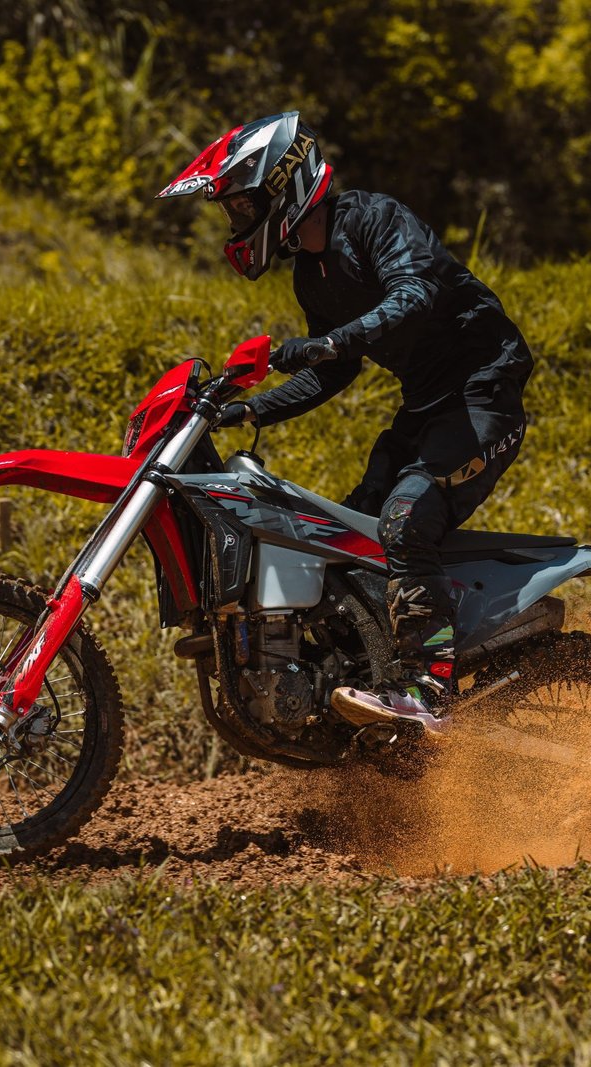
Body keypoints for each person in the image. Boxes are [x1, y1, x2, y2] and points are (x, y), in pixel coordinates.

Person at [157, 111, 533, 735]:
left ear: (282, 186)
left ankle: (430, 689)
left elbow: (414, 295)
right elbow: (331, 372)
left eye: (242, 207)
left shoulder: (376, 220)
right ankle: (364, 683)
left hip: (482, 396)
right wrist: (249, 409)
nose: (237, 223)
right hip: (425, 407)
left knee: (405, 520)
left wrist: (332, 340)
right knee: (347, 539)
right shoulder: (313, 274)